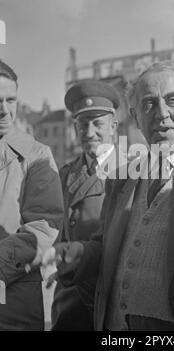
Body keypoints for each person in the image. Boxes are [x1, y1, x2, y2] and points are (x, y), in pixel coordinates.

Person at [45, 62, 174, 331]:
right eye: (149, 104)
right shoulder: (121, 179)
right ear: (135, 116)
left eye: (172, 100)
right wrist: (74, 253)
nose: (162, 114)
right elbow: (105, 245)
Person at [51, 79, 122, 330]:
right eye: (83, 124)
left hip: (112, 298)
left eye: (97, 123)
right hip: (71, 298)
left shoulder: (133, 171)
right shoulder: (66, 174)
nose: (89, 132)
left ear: (113, 126)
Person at [0, 60, 64, 330]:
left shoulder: (37, 155)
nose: (5, 111)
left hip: (11, 304)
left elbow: (43, 226)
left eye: (11, 100)